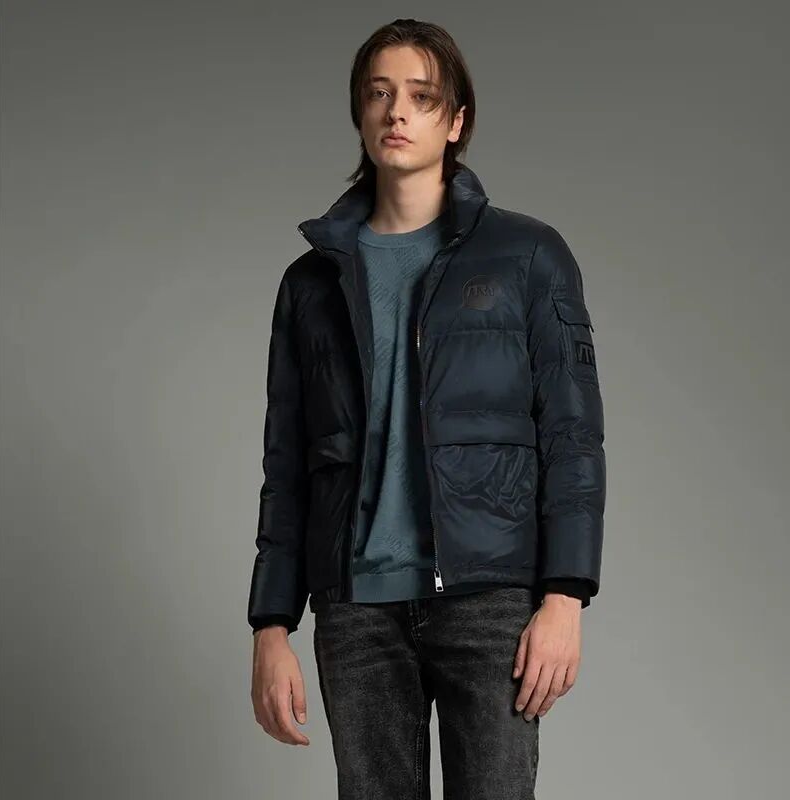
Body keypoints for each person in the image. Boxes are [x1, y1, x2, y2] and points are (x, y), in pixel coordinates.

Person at [248, 18, 606, 800]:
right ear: (359, 112)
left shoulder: (529, 256)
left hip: (489, 600)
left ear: (456, 120)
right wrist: (271, 626)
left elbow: (573, 438)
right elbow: (287, 465)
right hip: (355, 606)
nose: (397, 112)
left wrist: (565, 596)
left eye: (420, 95)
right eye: (379, 94)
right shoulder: (311, 284)